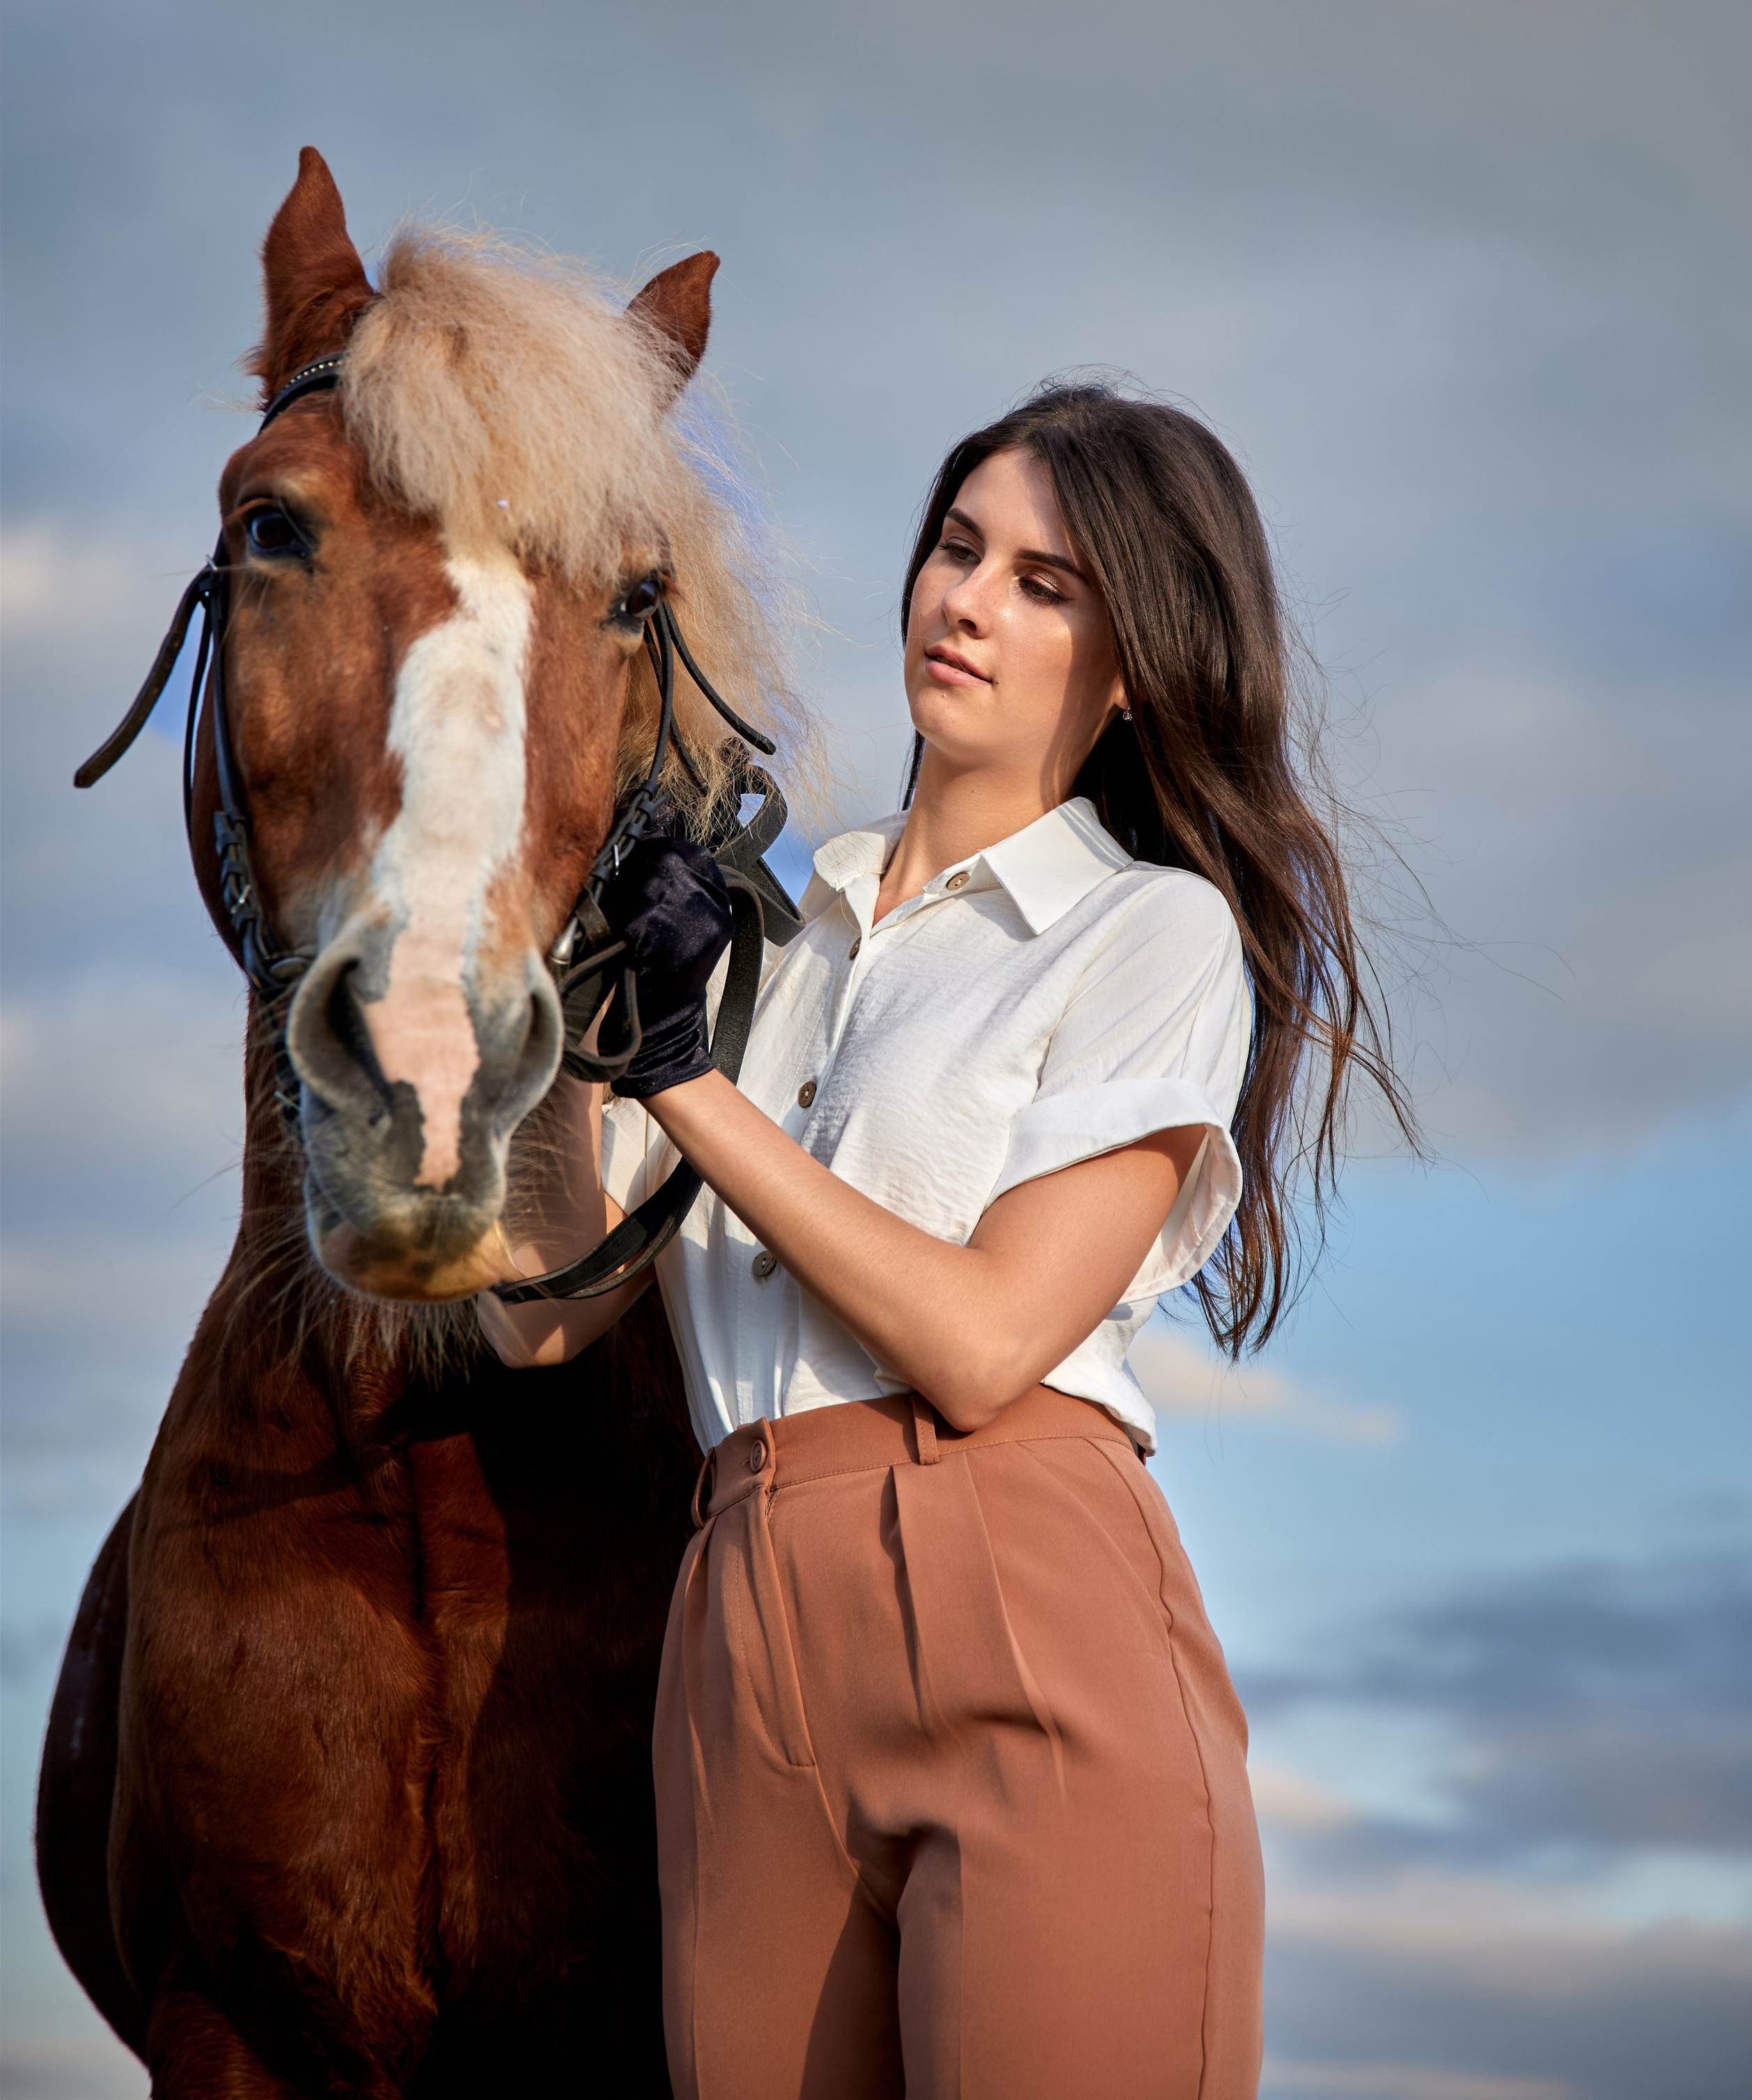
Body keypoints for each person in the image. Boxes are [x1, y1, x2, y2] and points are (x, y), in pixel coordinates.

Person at [478, 382, 1407, 2100]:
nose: (967, 599)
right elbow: (540, 1320)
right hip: (738, 1618)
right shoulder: (766, 942)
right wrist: (564, 977)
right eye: (958, 547)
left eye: (1046, 584)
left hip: (1015, 1579)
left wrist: (677, 1079)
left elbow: (985, 1343)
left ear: (1132, 666)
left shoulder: (1150, 933)